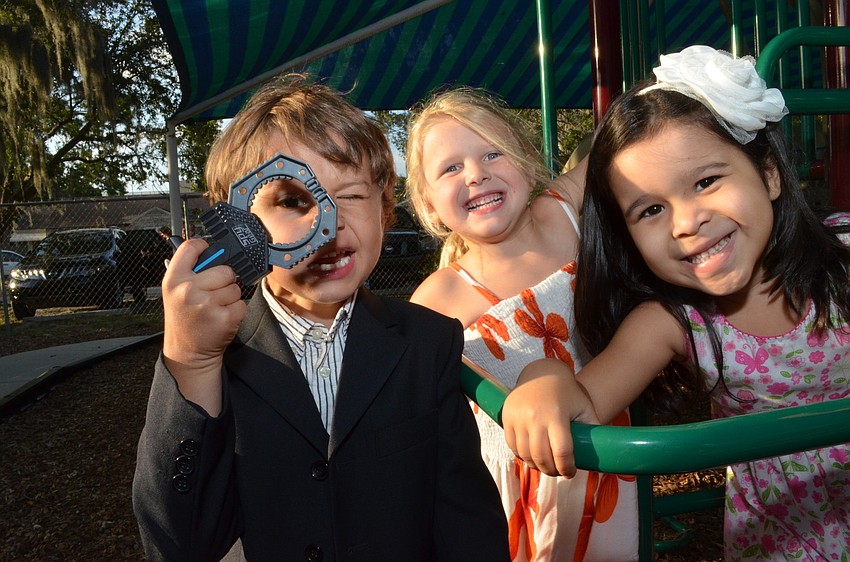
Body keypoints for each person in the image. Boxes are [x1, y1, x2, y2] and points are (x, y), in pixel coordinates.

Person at [132, 75, 510, 562]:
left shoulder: (428, 341)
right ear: (238, 219)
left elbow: (468, 524)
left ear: (384, 208)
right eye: (292, 201)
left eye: (352, 195)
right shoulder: (213, 357)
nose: (328, 223)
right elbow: (176, 543)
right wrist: (191, 360)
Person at [524, 45, 850, 560]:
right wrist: (540, 379)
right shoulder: (673, 322)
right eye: (651, 209)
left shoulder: (844, 260)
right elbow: (585, 404)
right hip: (785, 541)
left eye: (705, 182)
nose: (684, 222)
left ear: (768, 175)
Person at [406, 87, 638, 562]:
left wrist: (680, 82)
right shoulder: (439, 297)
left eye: (494, 153)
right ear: (429, 207)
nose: (476, 172)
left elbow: (614, 143)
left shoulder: (562, 215)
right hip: (513, 483)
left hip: (603, 448)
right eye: (451, 168)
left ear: (530, 164)